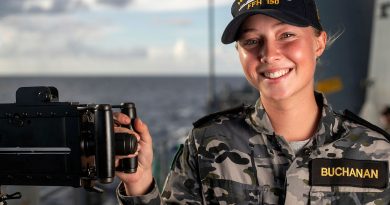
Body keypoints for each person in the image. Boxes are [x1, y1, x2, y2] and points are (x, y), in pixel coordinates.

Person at [114, 0, 390, 204]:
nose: (269, 53)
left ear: (318, 43)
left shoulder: (378, 151)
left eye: (286, 35)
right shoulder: (207, 143)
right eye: (251, 41)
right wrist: (139, 184)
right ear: (239, 53)